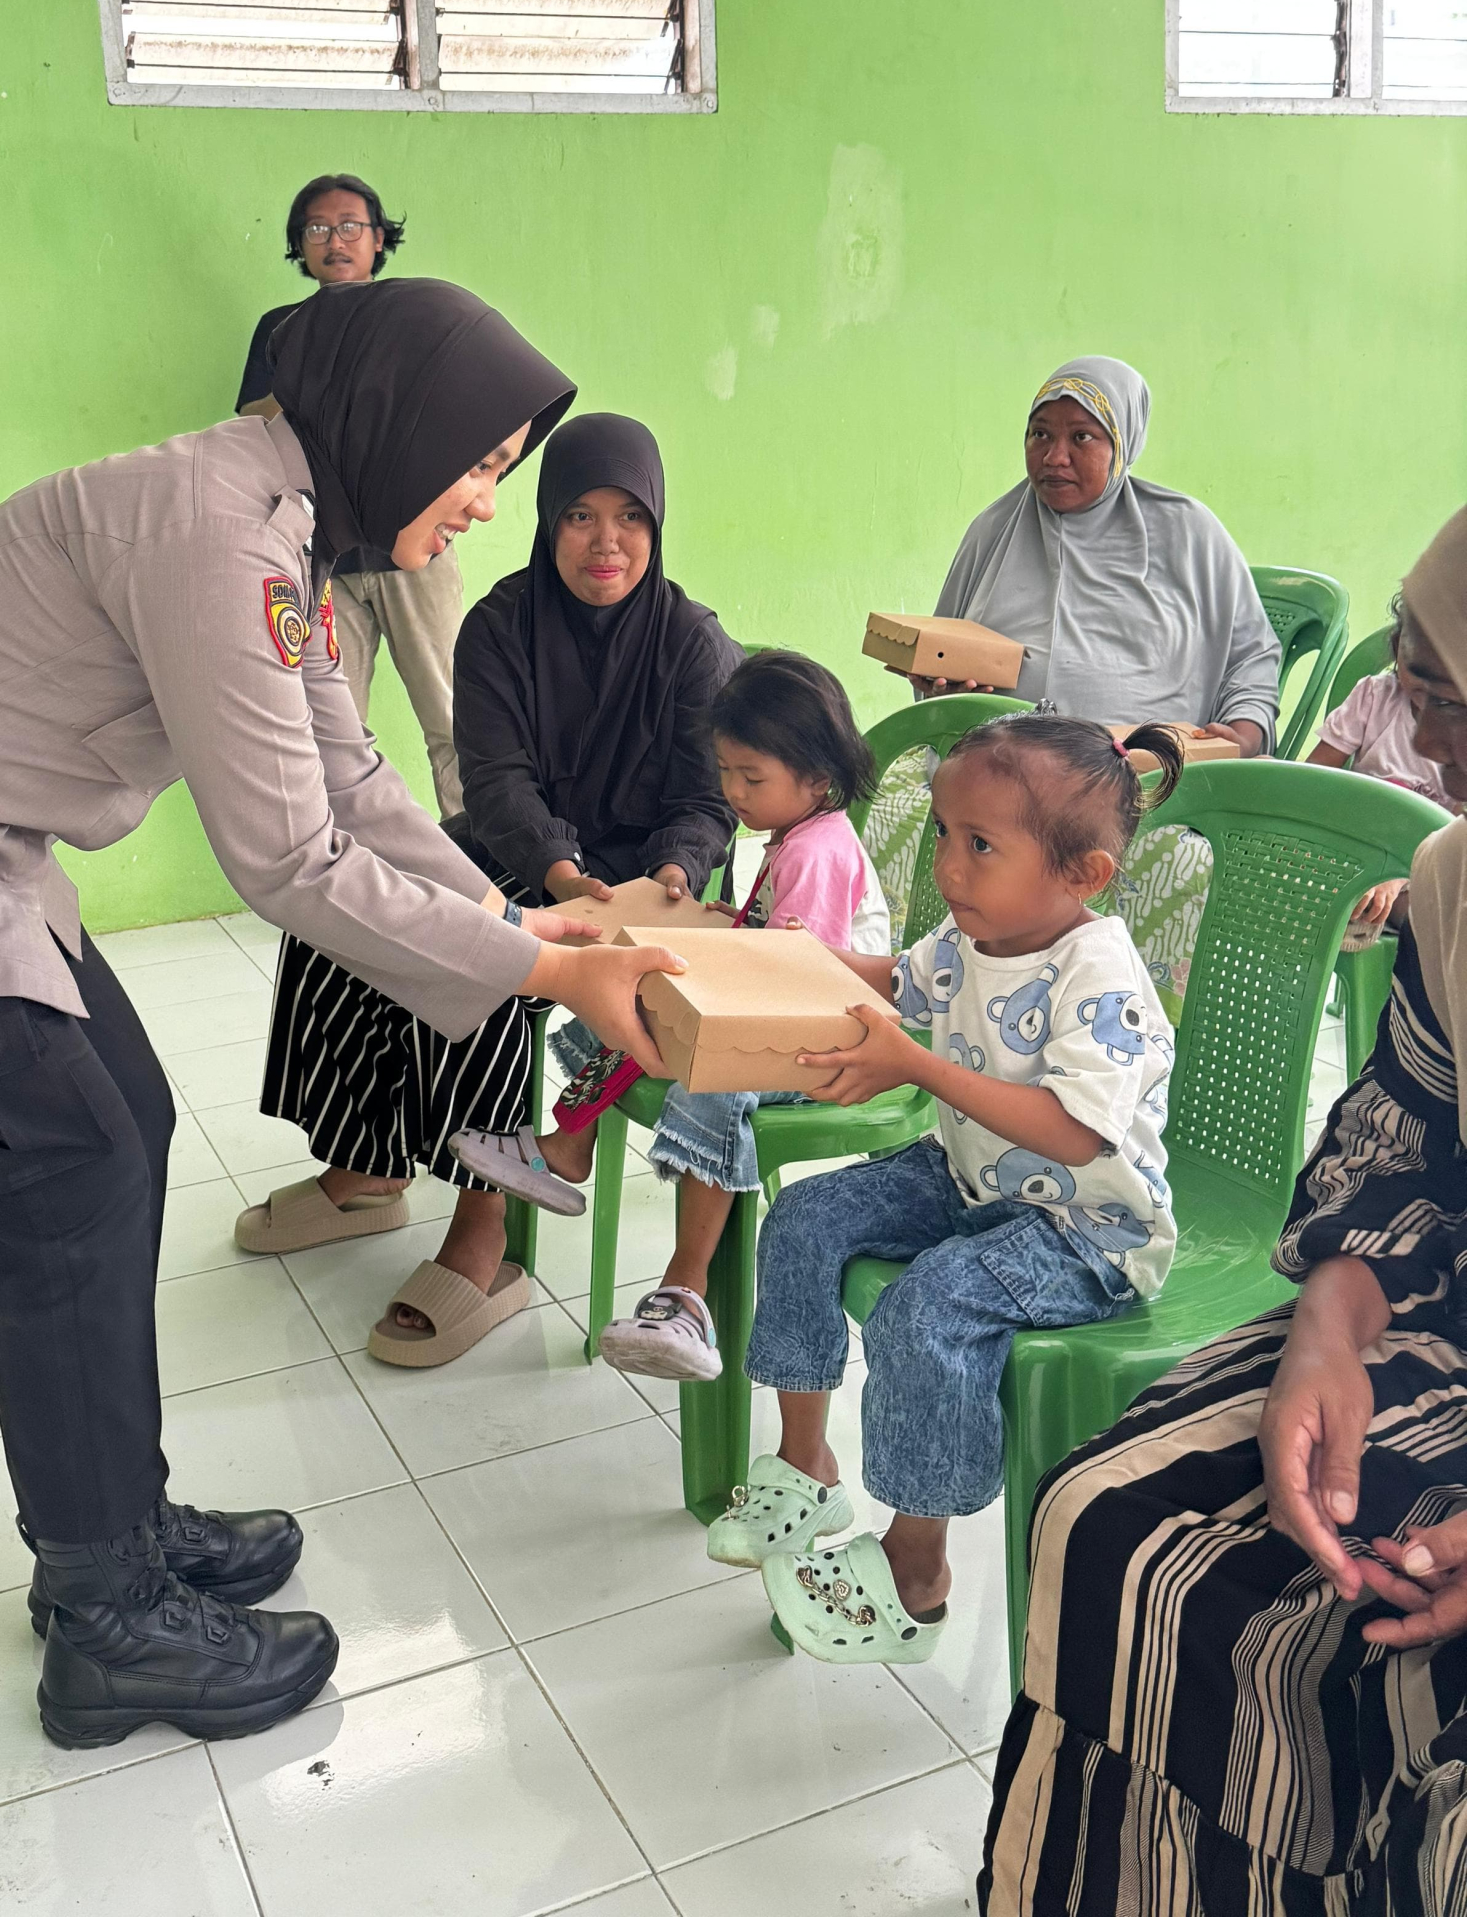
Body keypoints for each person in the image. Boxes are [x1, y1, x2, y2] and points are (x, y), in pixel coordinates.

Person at [0, 280, 685, 1750]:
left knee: (123, 1123)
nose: (482, 505)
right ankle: (107, 1621)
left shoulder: (285, 525)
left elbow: (355, 778)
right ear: (403, 425)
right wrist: (548, 977)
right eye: (480, 466)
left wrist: (511, 918)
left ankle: (119, 1526)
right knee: (66, 1177)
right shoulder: (219, 538)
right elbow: (291, 858)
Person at [979, 509, 1467, 1916]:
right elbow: (1399, 1147)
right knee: (1115, 1529)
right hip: (1440, 1308)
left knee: (1409, 1679)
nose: (1424, 749)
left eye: (1445, 701)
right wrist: (1323, 1329)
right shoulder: (1456, 887)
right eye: (1410, 691)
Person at [240, 412, 740, 1367]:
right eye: (580, 516)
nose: (606, 543)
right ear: (548, 520)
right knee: (352, 910)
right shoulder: (501, 625)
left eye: (631, 518)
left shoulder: (692, 645)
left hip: (644, 878)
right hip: (525, 847)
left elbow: (707, 800)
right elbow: (497, 783)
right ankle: (367, 1162)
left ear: (659, 526)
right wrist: (556, 873)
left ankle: (487, 1238)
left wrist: (670, 873)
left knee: (510, 969)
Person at [724, 714, 1183, 1661]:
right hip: (973, 1180)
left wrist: (915, 1067)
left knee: (926, 1310)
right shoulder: (978, 928)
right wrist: (774, 960)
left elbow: (1074, 1130)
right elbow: (895, 981)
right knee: (807, 1214)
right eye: (942, 832)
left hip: (1086, 1230)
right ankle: (806, 1461)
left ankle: (916, 1565)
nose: (948, 866)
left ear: (1082, 875)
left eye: (980, 844)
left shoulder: (1097, 971)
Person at [456, 648, 892, 1385]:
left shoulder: (819, 852)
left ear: (817, 779)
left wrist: (739, 950)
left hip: (830, 1039)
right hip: (794, 1008)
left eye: (751, 778)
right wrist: (738, 926)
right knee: (633, 995)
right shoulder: (797, 834)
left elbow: (802, 977)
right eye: (725, 773)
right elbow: (785, 946)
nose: (733, 792)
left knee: (710, 1075)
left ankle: (686, 1293)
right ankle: (567, 1143)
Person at [237, 171, 465, 818]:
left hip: (415, 550)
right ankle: (342, 889)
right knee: (329, 733)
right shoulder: (279, 329)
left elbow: (450, 421)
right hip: (324, 558)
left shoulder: (414, 317)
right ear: (300, 245)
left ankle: (482, 872)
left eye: (349, 227)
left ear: (377, 239)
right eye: (316, 229)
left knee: (453, 719)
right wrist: (315, 364)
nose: (333, 240)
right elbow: (256, 427)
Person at [922, 356, 1280, 751]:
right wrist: (940, 691)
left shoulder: (1187, 530)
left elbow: (1251, 656)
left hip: (1147, 779)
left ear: (1122, 445)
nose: (1054, 457)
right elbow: (940, 656)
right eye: (1039, 434)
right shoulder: (994, 530)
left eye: (1081, 437)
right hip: (996, 769)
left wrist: (1243, 738)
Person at [1309, 590, 1465, 936]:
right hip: (1350, 843)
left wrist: (1400, 875)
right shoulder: (1374, 697)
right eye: (1415, 667)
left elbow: (1453, 842)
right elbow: (1314, 781)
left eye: (1443, 673)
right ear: (1397, 651)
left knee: (1427, 927)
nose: (1425, 684)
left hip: (1423, 863)